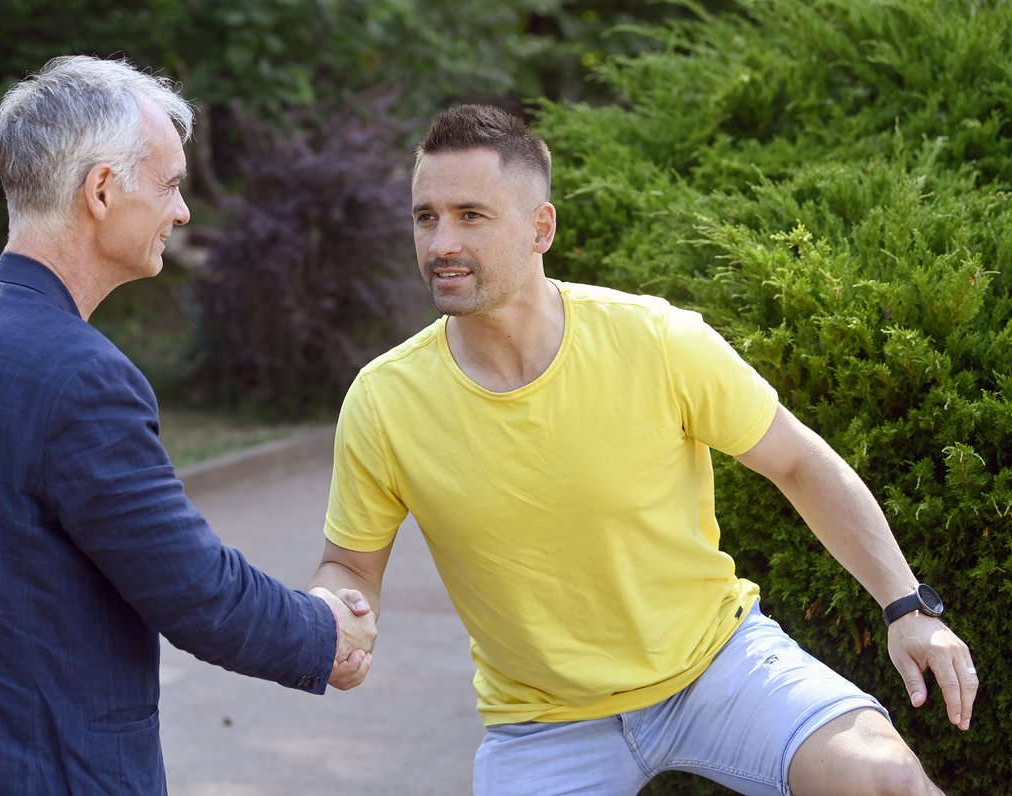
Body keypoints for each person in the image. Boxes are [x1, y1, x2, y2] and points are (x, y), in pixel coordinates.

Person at [309, 104, 978, 794]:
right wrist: (336, 612)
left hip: (717, 665)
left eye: (470, 215)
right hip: (543, 720)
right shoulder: (384, 400)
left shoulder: (655, 340)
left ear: (541, 227)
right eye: (426, 217)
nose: (441, 241)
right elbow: (349, 564)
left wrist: (907, 608)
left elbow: (800, 462)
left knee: (884, 779)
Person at [0, 55, 375, 794]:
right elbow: (196, 590)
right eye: (170, 184)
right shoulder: (79, 375)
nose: (183, 211)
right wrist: (326, 631)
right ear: (101, 191)